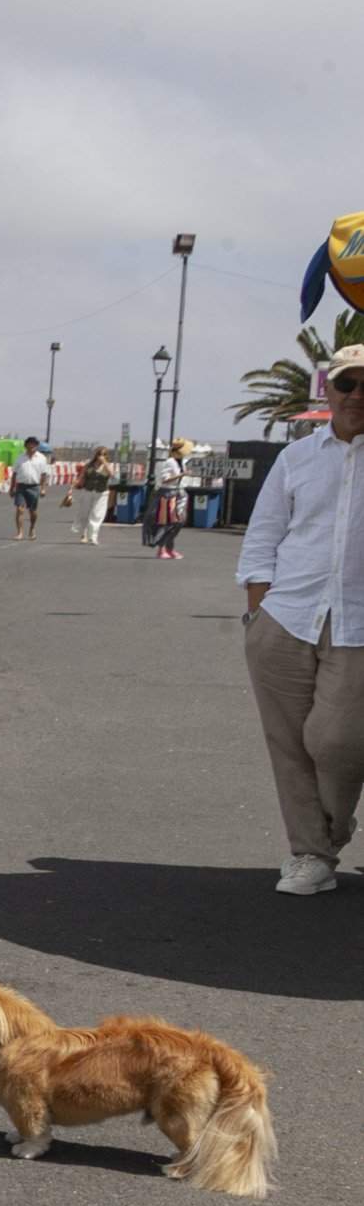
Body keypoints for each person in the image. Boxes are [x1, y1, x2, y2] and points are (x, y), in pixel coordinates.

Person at [235, 344, 364, 897]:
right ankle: (311, 854)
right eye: (348, 384)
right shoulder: (296, 459)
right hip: (285, 616)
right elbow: (263, 535)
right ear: (328, 391)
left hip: (358, 624)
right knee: (288, 744)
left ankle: (330, 830)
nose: (358, 395)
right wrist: (258, 609)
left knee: (337, 741)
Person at [148, 437, 193, 560]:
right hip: (168, 493)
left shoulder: (182, 462)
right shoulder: (170, 462)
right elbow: (165, 479)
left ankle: (169, 548)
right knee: (168, 521)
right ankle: (162, 548)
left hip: (179, 492)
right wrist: (181, 474)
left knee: (178, 522)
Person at [9, 437, 54, 540]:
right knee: (20, 509)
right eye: (29, 444)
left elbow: (44, 474)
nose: (31, 446)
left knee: (33, 511)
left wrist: (43, 488)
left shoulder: (41, 458)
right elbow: (14, 474)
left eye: (33, 444)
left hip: (34, 487)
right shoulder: (20, 458)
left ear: (36, 446)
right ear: (26, 445)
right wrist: (12, 488)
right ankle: (19, 532)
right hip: (21, 486)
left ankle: (32, 529)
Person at [68, 446, 114, 543]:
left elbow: (112, 474)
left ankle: (93, 536)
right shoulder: (88, 466)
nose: (101, 456)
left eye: (104, 454)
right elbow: (81, 478)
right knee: (84, 513)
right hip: (88, 491)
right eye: (99, 454)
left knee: (97, 514)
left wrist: (104, 462)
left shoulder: (108, 466)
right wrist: (72, 488)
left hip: (101, 493)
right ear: (96, 455)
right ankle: (84, 534)